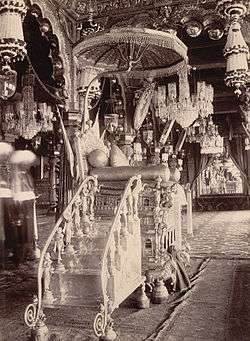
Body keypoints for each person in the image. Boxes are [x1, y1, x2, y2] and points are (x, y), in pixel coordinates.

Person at [9, 150, 38, 265]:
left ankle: (26, 251)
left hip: (26, 200)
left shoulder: (24, 174)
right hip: (23, 200)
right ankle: (23, 252)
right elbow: (17, 188)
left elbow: (27, 187)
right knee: (23, 227)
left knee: (27, 227)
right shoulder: (21, 175)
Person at [0, 142, 14, 267]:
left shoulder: (7, 170)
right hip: (4, 197)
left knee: (6, 223)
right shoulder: (6, 170)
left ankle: (6, 247)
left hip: (6, 198)